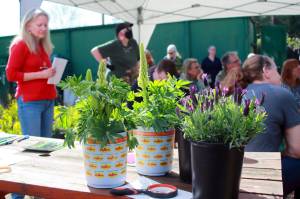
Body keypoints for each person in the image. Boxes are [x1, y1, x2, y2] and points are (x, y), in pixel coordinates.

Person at [6, 9, 56, 199]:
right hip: (31, 102)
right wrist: (41, 75)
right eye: (40, 25)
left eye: (46, 25)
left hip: (47, 100)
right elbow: (11, 75)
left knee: (45, 151)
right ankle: (17, 196)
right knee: (31, 150)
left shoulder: (43, 46)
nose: (44, 28)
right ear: (28, 25)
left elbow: (42, 72)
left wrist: (52, 74)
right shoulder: (20, 45)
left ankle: (39, 193)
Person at [241, 55, 300, 198]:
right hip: (263, 174)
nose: (279, 75)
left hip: (234, 173)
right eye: (276, 70)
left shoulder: (237, 95)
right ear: (266, 71)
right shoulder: (281, 94)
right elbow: (297, 150)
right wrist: (282, 154)